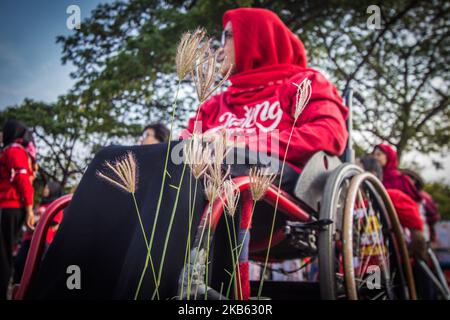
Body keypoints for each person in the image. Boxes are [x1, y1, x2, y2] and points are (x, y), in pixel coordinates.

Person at [357, 155, 427, 260]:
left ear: (371, 174)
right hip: (358, 269)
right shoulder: (352, 205)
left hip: (391, 266)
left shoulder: (392, 197)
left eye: (356, 170)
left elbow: (417, 231)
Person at [0, 119, 36, 299]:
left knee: (3, 254)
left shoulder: (13, 150)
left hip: (8, 208)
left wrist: (30, 210)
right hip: (12, 209)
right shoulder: (18, 151)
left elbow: (23, 182)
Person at [13, 181, 64, 284]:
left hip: (42, 241)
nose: (45, 190)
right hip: (28, 239)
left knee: (35, 269)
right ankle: (17, 288)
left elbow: (55, 224)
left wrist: (38, 220)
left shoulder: (56, 206)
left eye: (47, 188)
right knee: (19, 262)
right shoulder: (40, 204)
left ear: (53, 190)